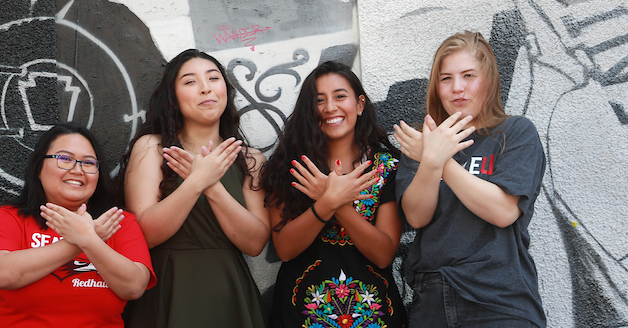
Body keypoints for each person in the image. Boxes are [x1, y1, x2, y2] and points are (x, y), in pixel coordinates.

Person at [394, 31, 546, 328]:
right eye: (446, 78)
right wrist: (429, 159)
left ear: (488, 80)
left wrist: (439, 160)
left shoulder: (515, 132)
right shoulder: (423, 142)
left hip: (499, 299)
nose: (458, 88)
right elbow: (416, 216)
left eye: (468, 76)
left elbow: (503, 212)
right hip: (432, 301)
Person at [121, 49, 269, 328]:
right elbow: (145, 234)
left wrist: (211, 186)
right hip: (169, 290)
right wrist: (196, 182)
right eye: (190, 82)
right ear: (173, 99)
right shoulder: (152, 148)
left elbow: (255, 243)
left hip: (230, 295)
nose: (205, 88)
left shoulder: (251, 159)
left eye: (213, 78)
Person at [259, 61, 407, 328]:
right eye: (319, 100)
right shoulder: (288, 167)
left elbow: (383, 254)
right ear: (309, 110)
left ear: (360, 104)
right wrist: (326, 203)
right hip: (301, 315)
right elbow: (285, 249)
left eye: (340, 96)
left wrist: (337, 204)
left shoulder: (386, 168)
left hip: (373, 317)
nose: (330, 108)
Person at [0, 122, 155, 327]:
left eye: (88, 163)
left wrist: (89, 241)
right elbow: (2, 274)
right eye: (65, 159)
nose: (78, 170)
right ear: (38, 169)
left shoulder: (117, 220)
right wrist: (82, 239)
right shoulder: (9, 217)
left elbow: (133, 287)